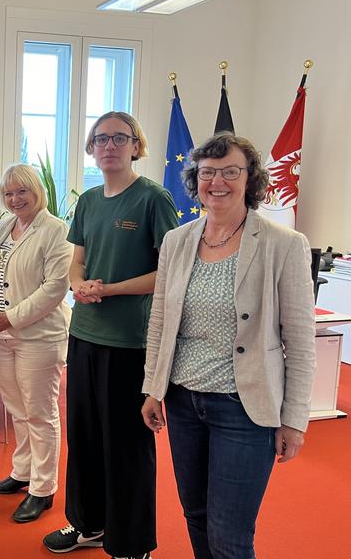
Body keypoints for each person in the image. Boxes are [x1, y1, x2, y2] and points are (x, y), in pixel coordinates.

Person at [141, 133, 316, 559]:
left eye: (231, 172)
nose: (218, 182)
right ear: (195, 179)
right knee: (196, 515)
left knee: (230, 533)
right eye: (208, 173)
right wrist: (152, 387)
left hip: (244, 407)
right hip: (184, 401)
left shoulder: (284, 244)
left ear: (251, 179)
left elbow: (300, 338)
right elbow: (161, 320)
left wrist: (294, 419)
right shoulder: (177, 241)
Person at [43, 112, 178, 558]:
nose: (109, 146)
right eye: (101, 139)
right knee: (84, 436)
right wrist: (78, 283)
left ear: (136, 145)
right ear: (91, 148)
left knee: (126, 444)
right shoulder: (89, 201)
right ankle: (89, 524)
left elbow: (172, 271)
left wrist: (112, 288)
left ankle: (132, 542)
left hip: (129, 342)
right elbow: (76, 260)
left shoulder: (153, 199)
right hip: (84, 335)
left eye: (120, 138)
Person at [0, 163, 73, 523]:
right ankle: (22, 472)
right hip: (3, 334)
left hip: (39, 336)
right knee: (17, 408)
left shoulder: (56, 230)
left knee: (40, 412)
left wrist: (14, 316)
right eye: (8, 193)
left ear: (38, 192)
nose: (15, 199)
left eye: (23, 191)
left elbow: (55, 287)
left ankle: (43, 488)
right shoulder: (5, 226)